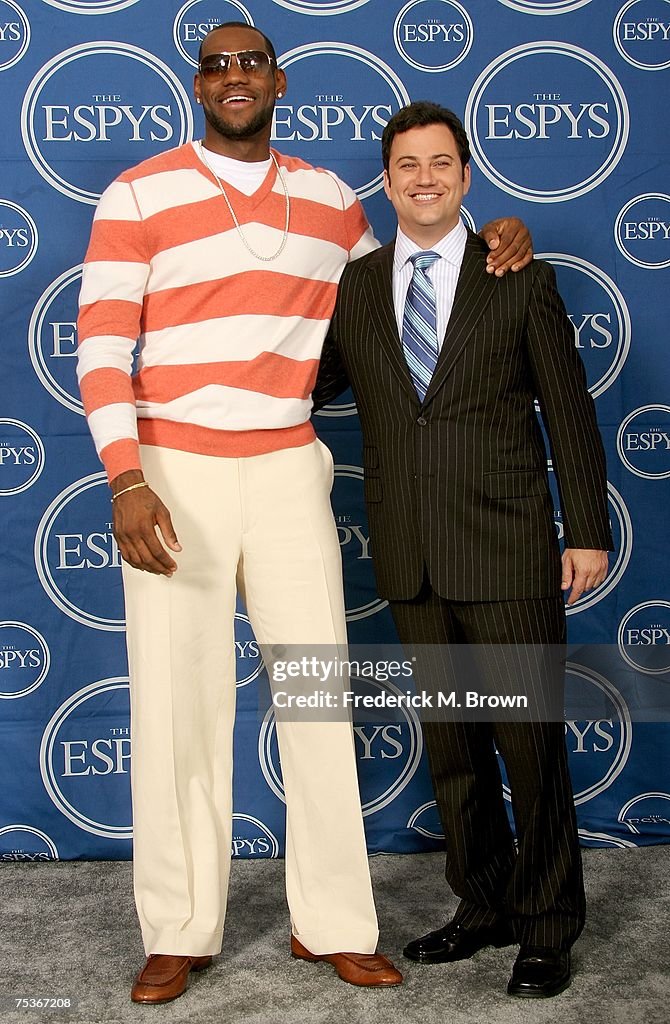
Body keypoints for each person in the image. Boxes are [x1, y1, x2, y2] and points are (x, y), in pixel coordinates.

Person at [77, 21, 532, 1004]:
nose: (234, 77)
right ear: (196, 84)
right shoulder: (139, 192)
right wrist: (124, 477)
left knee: (317, 699)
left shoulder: (328, 198)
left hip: (287, 466)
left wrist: (491, 237)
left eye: (250, 63)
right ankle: (179, 927)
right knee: (176, 704)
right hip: (169, 471)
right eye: (216, 65)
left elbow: (407, 286)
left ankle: (331, 921)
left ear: (279, 80)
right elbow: (102, 343)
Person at [312, 101, 613, 999]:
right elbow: (302, 378)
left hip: (508, 549)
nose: (425, 179)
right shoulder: (358, 290)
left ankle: (548, 927)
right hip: (412, 558)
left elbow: (568, 411)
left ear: (467, 175)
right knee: (453, 751)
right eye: (407, 165)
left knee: (530, 748)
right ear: (388, 179)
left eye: (441, 163)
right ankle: (481, 905)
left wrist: (587, 529)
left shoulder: (518, 275)